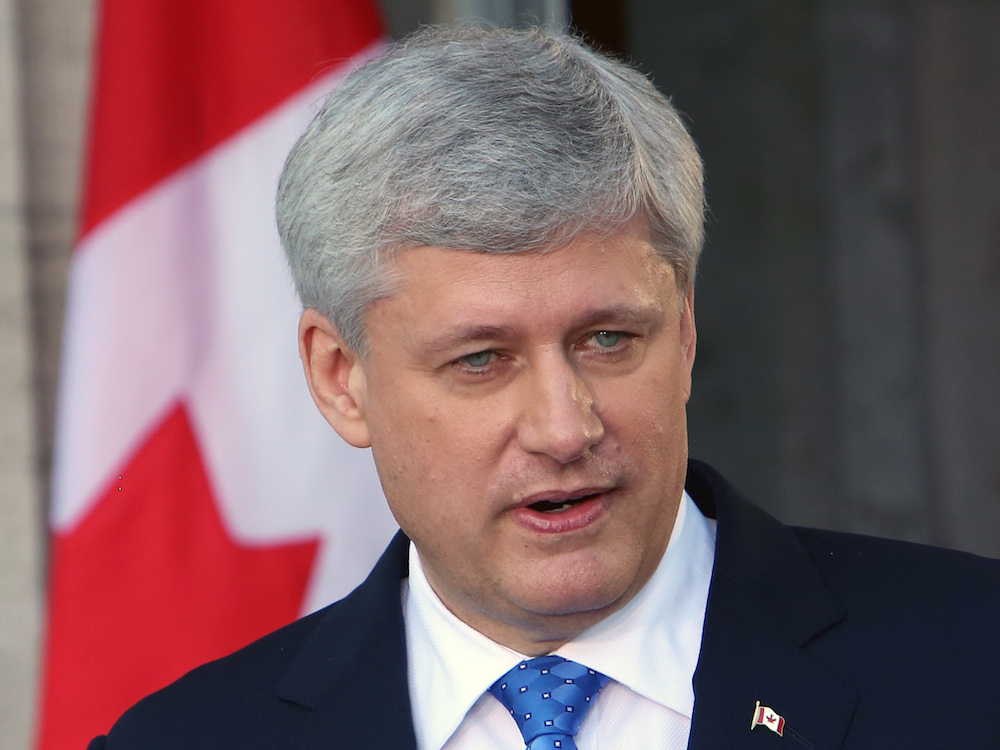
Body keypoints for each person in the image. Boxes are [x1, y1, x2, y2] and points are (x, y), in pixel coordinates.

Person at [89, 25, 1000, 750]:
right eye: (481, 360)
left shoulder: (974, 665)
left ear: (682, 329)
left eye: (609, 339)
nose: (565, 429)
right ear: (342, 379)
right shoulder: (187, 739)